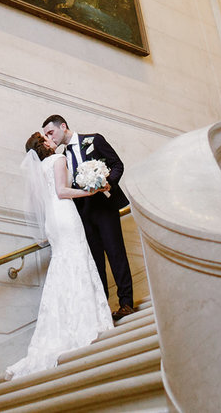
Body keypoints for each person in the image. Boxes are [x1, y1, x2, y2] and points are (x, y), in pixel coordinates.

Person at [4, 132, 113, 380]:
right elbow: (63, 191)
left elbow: (47, 197)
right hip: (65, 215)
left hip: (53, 223)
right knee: (77, 260)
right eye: (46, 137)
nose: (51, 139)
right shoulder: (58, 160)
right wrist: (91, 191)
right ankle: (85, 322)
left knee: (63, 266)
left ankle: (61, 327)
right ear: (43, 145)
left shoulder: (40, 168)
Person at [42, 115, 135, 321]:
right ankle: (103, 309)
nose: (50, 137)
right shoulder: (62, 157)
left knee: (116, 254)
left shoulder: (94, 140)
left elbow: (117, 164)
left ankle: (126, 303)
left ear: (63, 126)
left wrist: (107, 182)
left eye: (51, 132)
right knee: (95, 261)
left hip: (104, 208)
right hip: (82, 214)